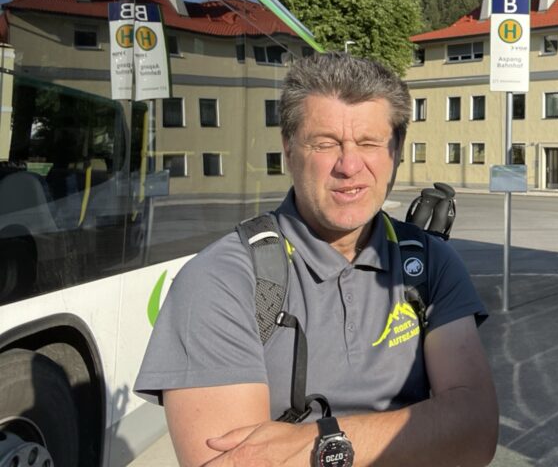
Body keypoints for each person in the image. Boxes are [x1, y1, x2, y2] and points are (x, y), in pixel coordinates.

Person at [135, 52, 498, 467]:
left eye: (368, 143)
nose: (349, 166)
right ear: (289, 151)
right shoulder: (221, 279)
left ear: (395, 153)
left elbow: (475, 431)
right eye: (324, 143)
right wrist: (425, 431)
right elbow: (234, 463)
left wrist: (319, 442)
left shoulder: (430, 263)